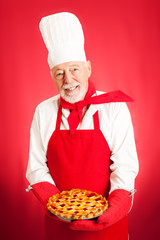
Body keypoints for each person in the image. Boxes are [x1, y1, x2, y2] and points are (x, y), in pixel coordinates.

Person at [26, 12, 139, 240]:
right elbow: (36, 168)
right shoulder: (43, 111)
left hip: (108, 225)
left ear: (88, 68)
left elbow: (125, 167)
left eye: (75, 69)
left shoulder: (113, 108)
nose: (68, 80)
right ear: (51, 76)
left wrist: (113, 209)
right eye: (60, 73)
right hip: (60, 227)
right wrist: (62, 208)